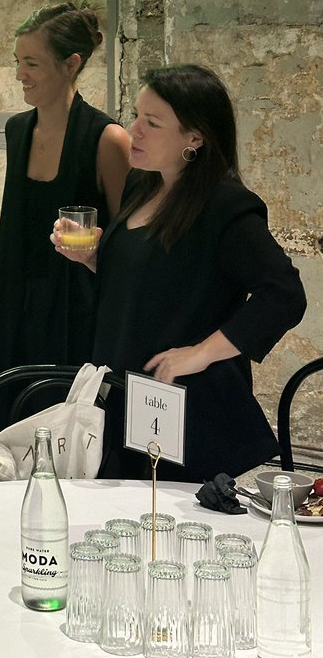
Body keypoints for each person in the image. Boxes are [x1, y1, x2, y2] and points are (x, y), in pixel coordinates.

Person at [54, 63, 307, 481]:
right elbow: (160, 279)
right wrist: (93, 257)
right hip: (124, 390)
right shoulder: (143, 183)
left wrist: (200, 353)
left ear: (195, 137)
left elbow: (284, 295)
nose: (134, 131)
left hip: (187, 408)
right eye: (136, 115)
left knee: (173, 515)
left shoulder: (227, 207)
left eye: (152, 123)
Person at [0, 3, 131, 386]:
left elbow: (129, 245)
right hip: (14, 308)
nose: (19, 74)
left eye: (31, 63)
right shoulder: (17, 131)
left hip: (76, 317)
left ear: (71, 65)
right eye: (17, 62)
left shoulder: (106, 139)